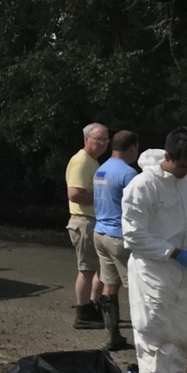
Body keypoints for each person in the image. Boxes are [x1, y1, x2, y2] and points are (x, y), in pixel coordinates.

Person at [122, 128, 187, 373]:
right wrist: (171, 252)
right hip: (152, 268)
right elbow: (133, 235)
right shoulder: (142, 186)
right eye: (182, 166)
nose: (186, 172)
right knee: (153, 328)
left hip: (181, 269)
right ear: (168, 157)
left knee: (179, 330)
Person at [92, 130, 139, 351]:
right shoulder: (128, 174)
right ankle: (143, 335)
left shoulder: (101, 170)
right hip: (120, 235)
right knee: (136, 286)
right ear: (131, 148)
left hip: (100, 232)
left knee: (110, 284)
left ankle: (112, 335)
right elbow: (137, 207)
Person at [65, 122, 109, 329]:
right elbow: (74, 193)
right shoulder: (81, 161)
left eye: (105, 139)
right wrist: (101, 197)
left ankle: (93, 305)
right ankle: (83, 313)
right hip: (83, 221)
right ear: (86, 139)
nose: (102, 143)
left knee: (99, 266)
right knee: (87, 269)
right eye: (98, 139)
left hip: (93, 221)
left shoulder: (93, 162)